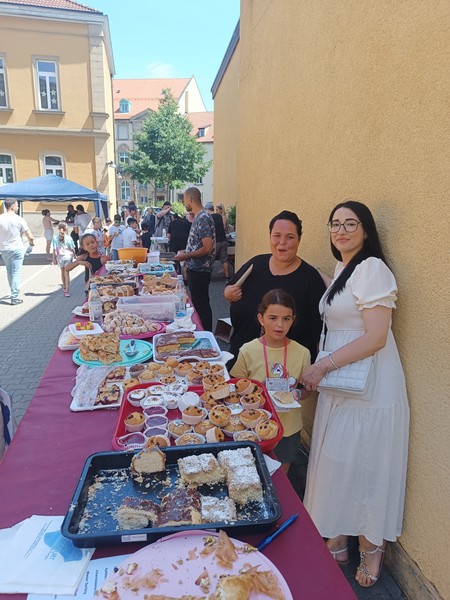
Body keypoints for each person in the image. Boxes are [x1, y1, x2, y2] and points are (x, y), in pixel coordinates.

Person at [300, 200, 410, 588]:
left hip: (371, 386)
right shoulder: (345, 269)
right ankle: (338, 536)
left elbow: (376, 336)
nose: (341, 230)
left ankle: (371, 548)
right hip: (343, 381)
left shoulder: (373, 268)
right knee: (339, 462)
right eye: (335, 224)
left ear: (366, 231)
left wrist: (322, 366)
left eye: (351, 224)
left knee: (366, 465)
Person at [224, 210, 326, 367]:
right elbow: (230, 287)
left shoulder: (310, 279)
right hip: (242, 362)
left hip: (286, 370)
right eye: (277, 235)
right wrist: (228, 293)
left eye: (290, 237)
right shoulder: (255, 265)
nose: (282, 242)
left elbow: (318, 332)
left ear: (299, 240)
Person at [230, 289, 311, 473]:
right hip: (253, 425)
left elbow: (307, 389)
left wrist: (298, 393)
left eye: (286, 319)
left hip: (287, 427)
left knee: (281, 475)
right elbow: (237, 386)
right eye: (273, 318)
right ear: (261, 318)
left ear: (293, 319)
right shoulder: (248, 350)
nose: (279, 325)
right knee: (252, 472)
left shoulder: (302, 352)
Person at [174, 187, 215, 331]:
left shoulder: (203, 217)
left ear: (190, 199)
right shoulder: (200, 216)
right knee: (198, 305)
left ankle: (206, 334)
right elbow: (199, 244)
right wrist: (187, 251)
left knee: (201, 306)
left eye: (184, 200)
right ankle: (204, 332)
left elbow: (207, 247)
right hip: (196, 269)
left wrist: (186, 255)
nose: (184, 203)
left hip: (200, 270)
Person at [0, 199, 34, 305]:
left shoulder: (0, 218)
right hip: (16, 248)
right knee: (16, 273)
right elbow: (29, 235)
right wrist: (31, 243)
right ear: (13, 206)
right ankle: (15, 297)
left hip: (4, 249)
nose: (18, 207)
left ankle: (13, 292)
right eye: (17, 205)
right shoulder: (19, 219)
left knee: (9, 272)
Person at [205, 202, 229, 281]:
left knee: (210, 261)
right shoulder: (219, 216)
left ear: (207, 209)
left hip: (216, 242)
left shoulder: (209, 218)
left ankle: (208, 278)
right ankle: (227, 277)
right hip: (223, 240)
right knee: (225, 260)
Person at [51, 222, 76, 297]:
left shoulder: (55, 238)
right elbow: (73, 248)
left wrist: (53, 259)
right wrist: (74, 255)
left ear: (59, 229)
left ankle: (64, 287)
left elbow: (54, 249)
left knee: (62, 272)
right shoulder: (69, 238)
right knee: (67, 273)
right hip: (68, 256)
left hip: (60, 256)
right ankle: (67, 290)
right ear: (66, 229)